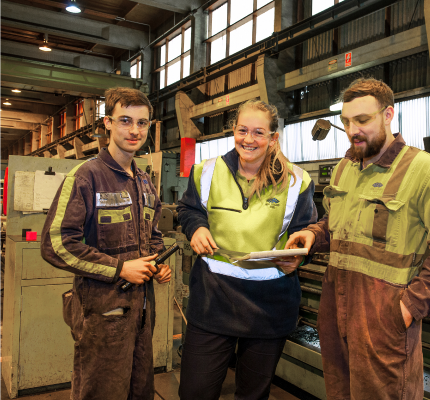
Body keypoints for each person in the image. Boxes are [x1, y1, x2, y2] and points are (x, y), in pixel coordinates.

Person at [286, 78, 430, 400]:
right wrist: (313, 235)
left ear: (388, 115)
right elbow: (338, 224)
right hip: (336, 309)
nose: (352, 130)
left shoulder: (424, 171)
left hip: (384, 318)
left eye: (362, 120)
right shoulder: (346, 168)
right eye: (346, 122)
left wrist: (409, 307)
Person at [176, 99, 317, 400]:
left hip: (269, 304)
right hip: (213, 300)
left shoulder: (296, 181)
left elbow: (306, 230)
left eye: (258, 132)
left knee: (253, 395)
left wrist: (297, 258)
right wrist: (196, 227)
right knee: (194, 392)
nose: (248, 139)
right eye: (242, 130)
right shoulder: (206, 171)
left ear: (273, 138)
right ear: (233, 131)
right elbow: (188, 210)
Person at [41, 87, 172, 400]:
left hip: (141, 312)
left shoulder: (144, 182)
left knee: (140, 391)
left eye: (142, 123)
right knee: (101, 391)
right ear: (107, 123)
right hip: (102, 313)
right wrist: (119, 269)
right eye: (125, 120)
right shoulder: (86, 177)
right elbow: (57, 243)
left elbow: (152, 235)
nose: (134, 130)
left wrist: (157, 263)